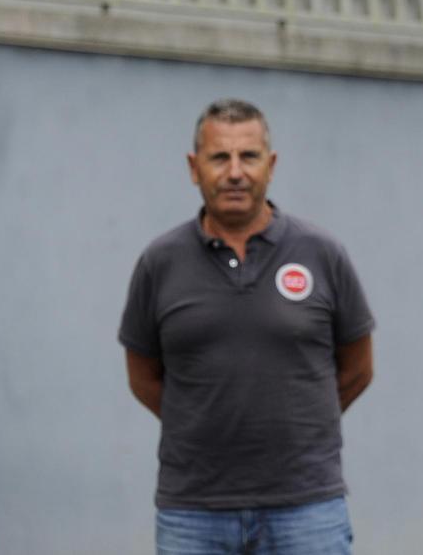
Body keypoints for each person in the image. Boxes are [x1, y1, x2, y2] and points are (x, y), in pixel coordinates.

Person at [120, 98, 375, 555]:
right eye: (220, 157)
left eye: (249, 156)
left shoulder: (322, 253)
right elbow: (142, 376)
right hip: (193, 510)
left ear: (270, 165)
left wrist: (299, 425)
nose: (235, 172)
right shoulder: (160, 262)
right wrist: (206, 420)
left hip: (306, 506)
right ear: (194, 167)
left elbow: (358, 368)